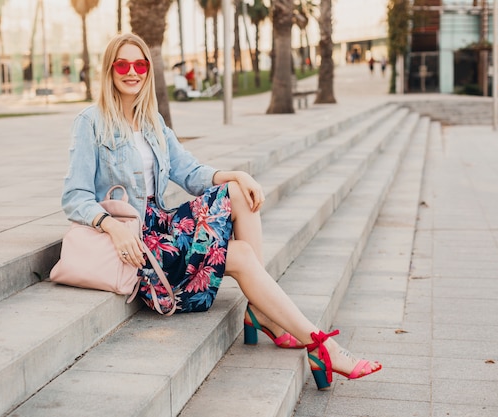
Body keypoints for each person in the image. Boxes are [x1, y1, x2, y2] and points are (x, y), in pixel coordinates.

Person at [61, 33, 381, 391]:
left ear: (148, 70)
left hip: (162, 226)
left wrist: (237, 175)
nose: (132, 72)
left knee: (238, 193)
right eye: (123, 64)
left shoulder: (152, 122)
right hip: (139, 245)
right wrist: (112, 227)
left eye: (140, 64)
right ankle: (320, 344)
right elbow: (74, 196)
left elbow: (191, 173)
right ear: (110, 70)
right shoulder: (91, 122)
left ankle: (271, 316)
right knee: (241, 253)